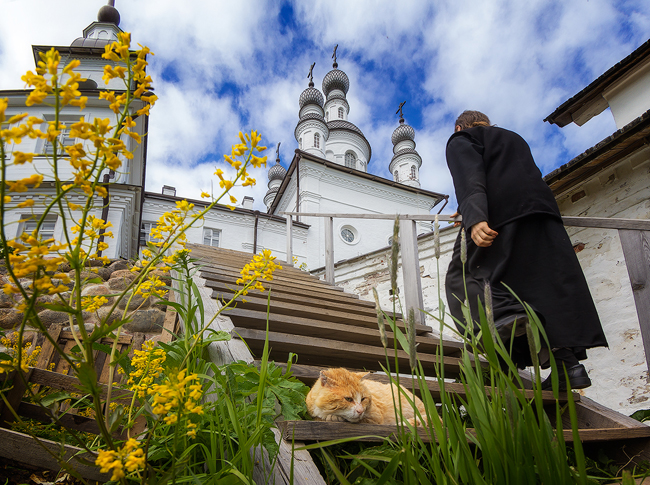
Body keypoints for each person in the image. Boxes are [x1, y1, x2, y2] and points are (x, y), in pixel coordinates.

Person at [444, 110, 608, 390]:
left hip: (500, 216)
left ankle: (507, 323)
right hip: (541, 213)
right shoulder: (512, 138)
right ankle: (568, 366)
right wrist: (468, 209)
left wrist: (475, 217)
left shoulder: (462, 139)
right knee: (540, 286)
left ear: (460, 127)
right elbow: (506, 175)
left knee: (464, 276)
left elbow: (469, 176)